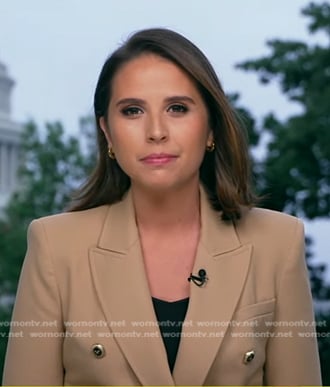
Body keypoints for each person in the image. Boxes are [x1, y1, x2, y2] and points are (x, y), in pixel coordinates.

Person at [2, 28, 322, 386]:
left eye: (177, 108)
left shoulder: (278, 242)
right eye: (133, 110)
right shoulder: (54, 246)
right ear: (107, 131)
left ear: (211, 126)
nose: (156, 131)